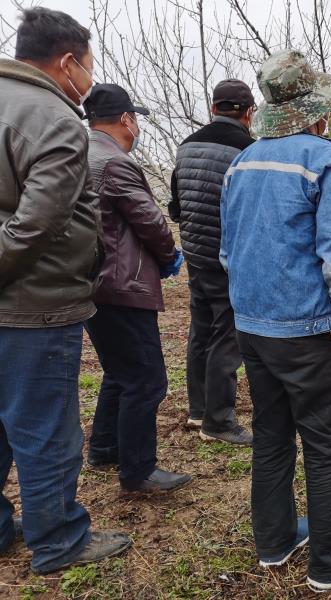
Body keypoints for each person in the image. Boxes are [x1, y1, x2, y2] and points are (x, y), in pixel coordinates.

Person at [220, 49, 331, 592]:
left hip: (253, 326)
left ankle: (275, 540)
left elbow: (228, 250)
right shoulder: (325, 159)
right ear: (317, 109)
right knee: (324, 444)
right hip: (306, 329)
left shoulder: (241, 163)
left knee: (271, 436)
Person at [0, 7, 131, 573]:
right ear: (67, 60)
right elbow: (38, 223)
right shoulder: (51, 117)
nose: (89, 76)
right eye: (89, 63)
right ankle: (58, 540)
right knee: (45, 425)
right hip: (36, 304)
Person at [83, 83, 192, 493]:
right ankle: (138, 470)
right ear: (127, 119)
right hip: (121, 283)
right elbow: (150, 221)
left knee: (119, 371)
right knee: (146, 378)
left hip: (93, 283)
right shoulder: (115, 162)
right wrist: (168, 257)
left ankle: (105, 448)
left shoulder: (80, 153)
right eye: (136, 120)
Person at [168, 79, 256, 446]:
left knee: (201, 330)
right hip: (228, 259)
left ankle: (198, 410)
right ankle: (219, 421)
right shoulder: (248, 151)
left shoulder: (186, 147)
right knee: (227, 335)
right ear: (249, 113)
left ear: (212, 108)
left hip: (196, 254)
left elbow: (175, 206)